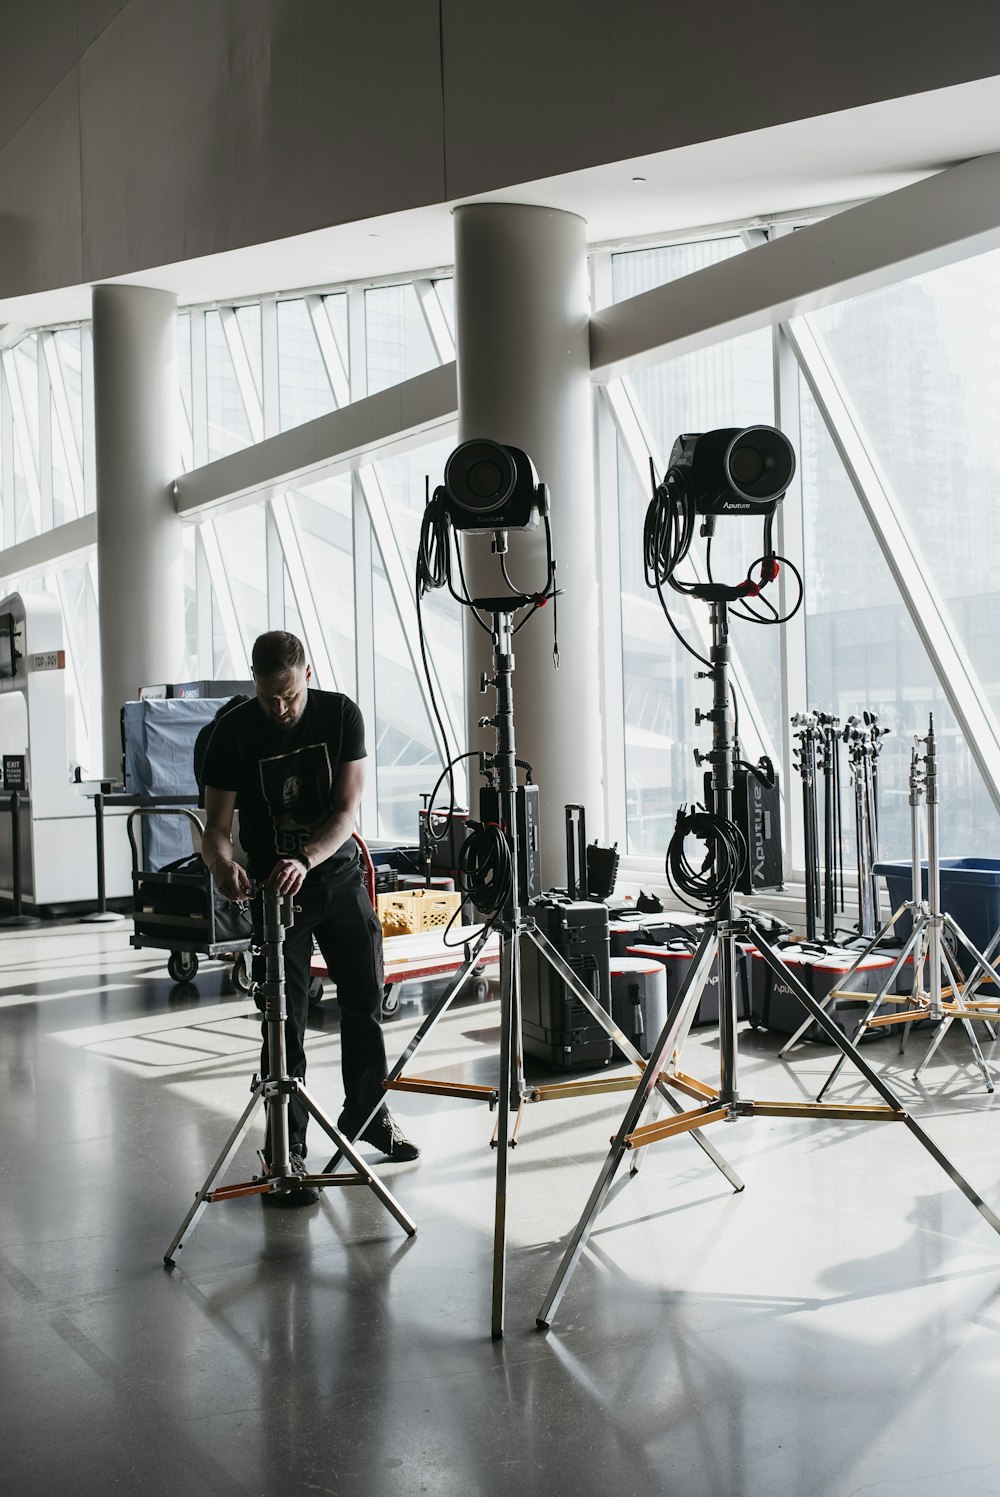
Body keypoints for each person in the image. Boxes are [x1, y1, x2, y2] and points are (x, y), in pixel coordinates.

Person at [200, 630, 418, 1206]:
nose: (280, 708)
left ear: (308, 675)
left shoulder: (340, 714)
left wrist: (307, 857)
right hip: (276, 893)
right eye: (270, 696)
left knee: (364, 999)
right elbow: (215, 830)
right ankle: (286, 1146)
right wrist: (223, 866)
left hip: (337, 876)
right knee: (284, 1017)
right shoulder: (232, 733)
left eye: (290, 695)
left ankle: (369, 1113)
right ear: (254, 681)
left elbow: (347, 810)